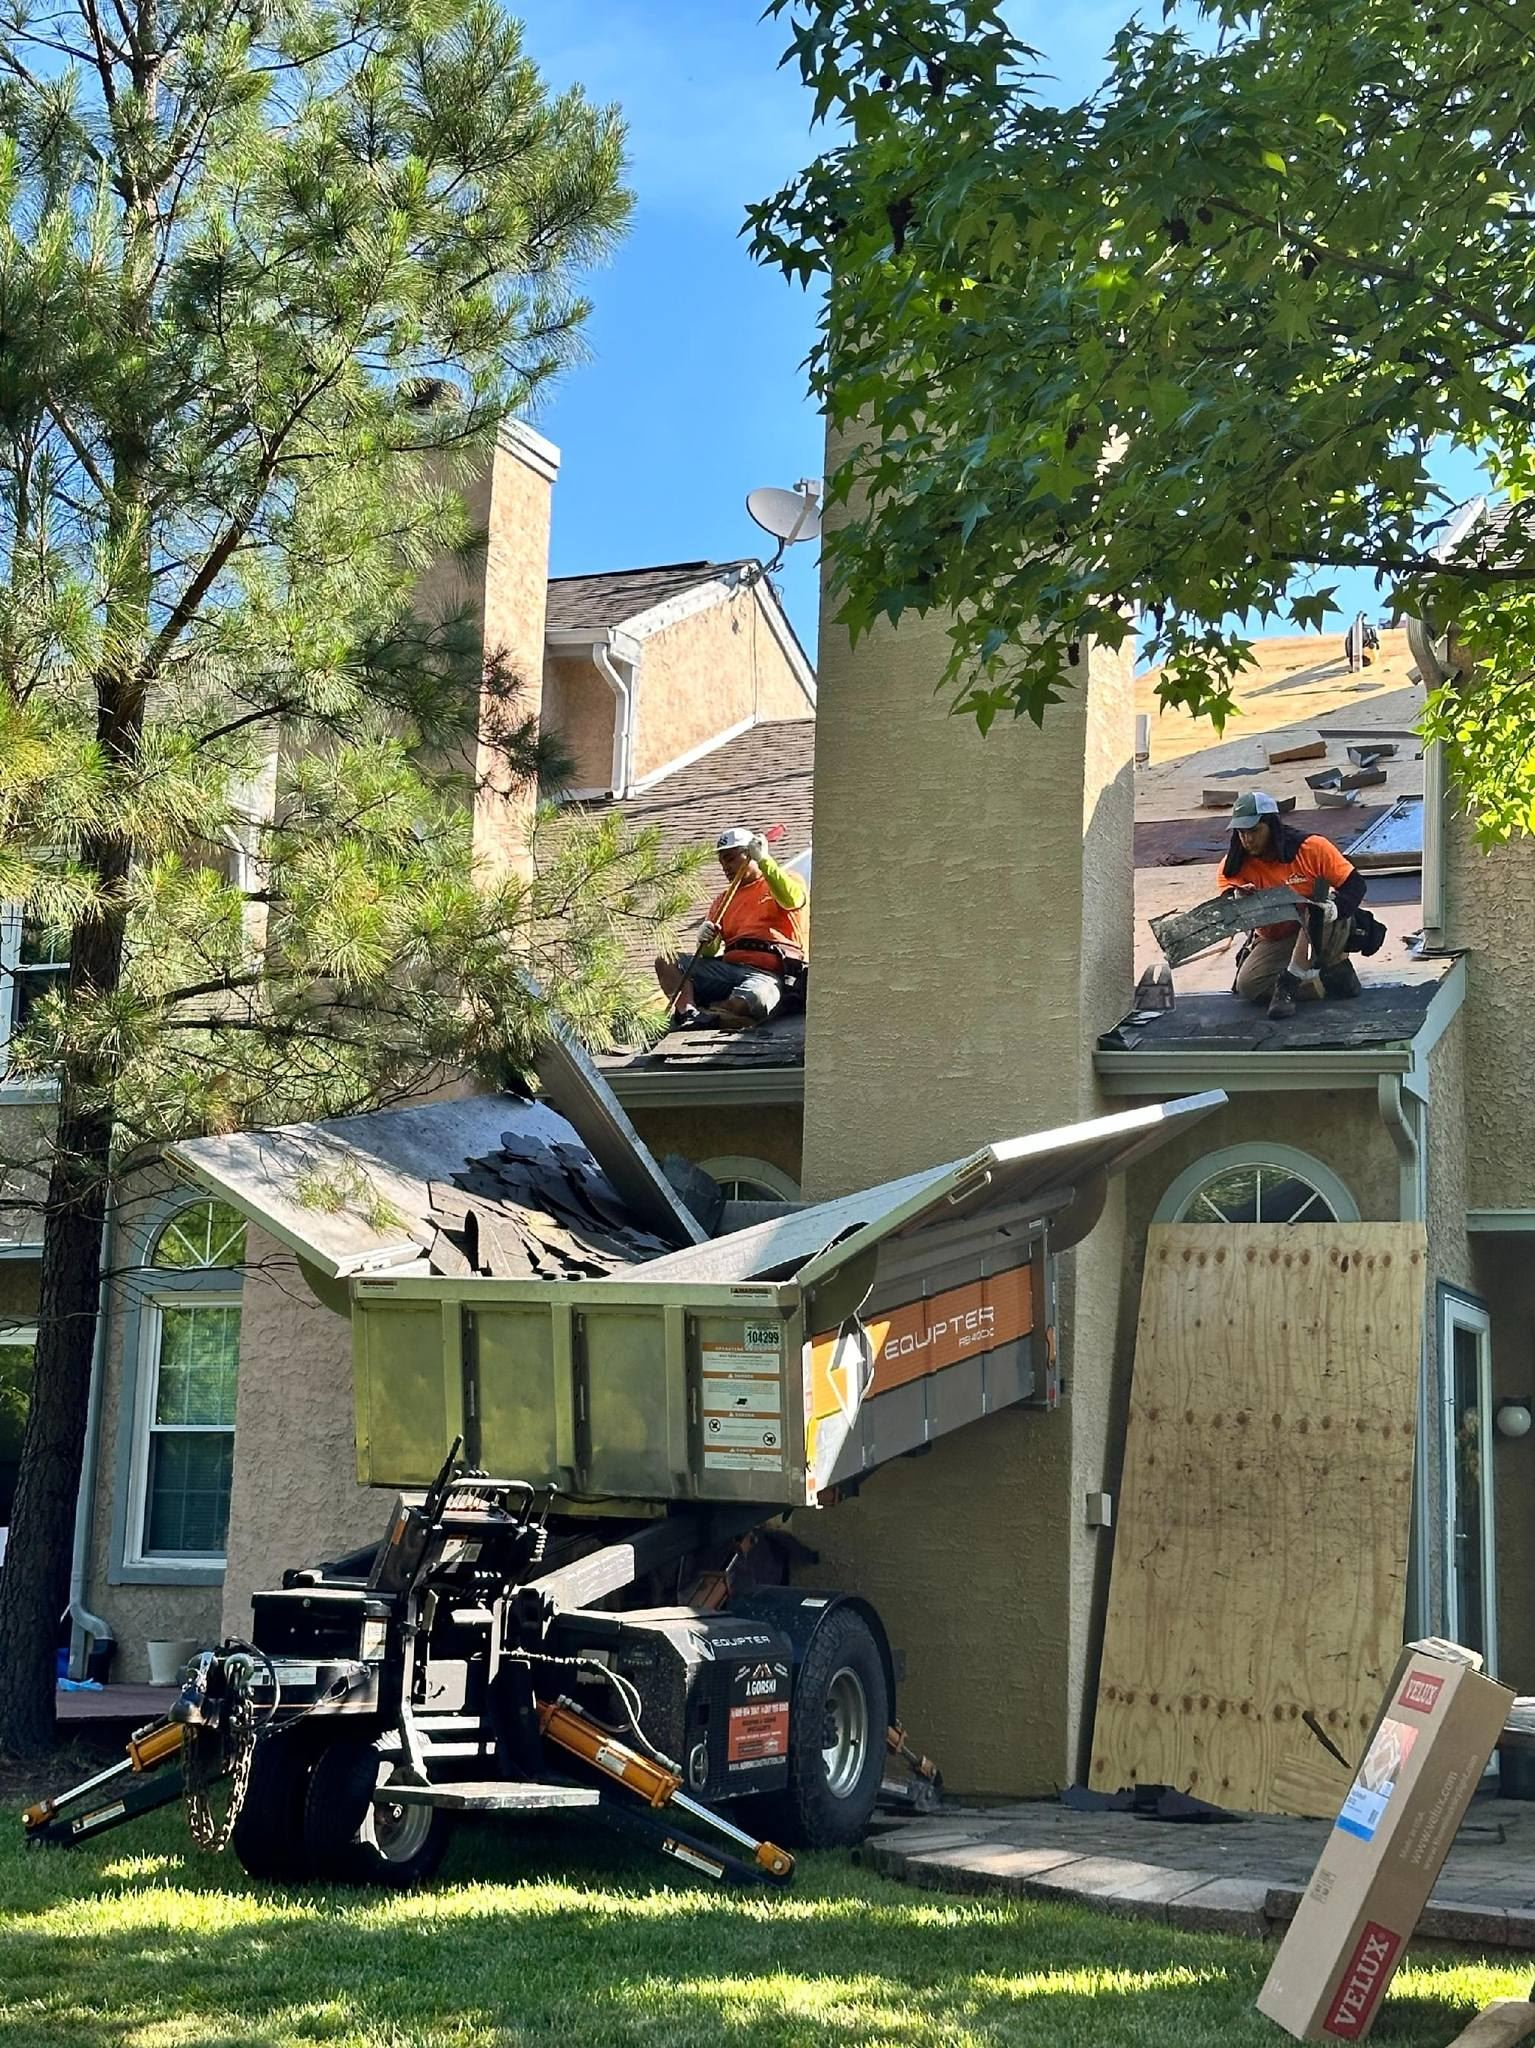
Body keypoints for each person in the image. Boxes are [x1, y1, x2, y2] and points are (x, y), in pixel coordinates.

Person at [1218, 790, 1368, 1018]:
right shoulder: (1234, 865)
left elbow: (1355, 885)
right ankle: (1322, 977)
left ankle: (1290, 983)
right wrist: (1239, 900)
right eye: (1241, 833)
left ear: (1272, 826)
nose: (1247, 840)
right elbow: (1227, 903)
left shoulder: (1313, 849)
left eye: (1254, 831)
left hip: (1325, 925)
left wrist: (1335, 909)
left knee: (1315, 908)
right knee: (1248, 986)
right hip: (1279, 936)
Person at [655, 828, 809, 1030]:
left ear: (750, 854)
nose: (725, 867)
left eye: (729, 859)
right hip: (727, 970)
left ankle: (721, 1011)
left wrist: (764, 860)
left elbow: (791, 901)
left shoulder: (785, 880)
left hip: (769, 973)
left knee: (755, 998)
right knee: (667, 960)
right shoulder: (723, 900)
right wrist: (707, 939)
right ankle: (689, 1013)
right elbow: (709, 953)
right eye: (722, 863)